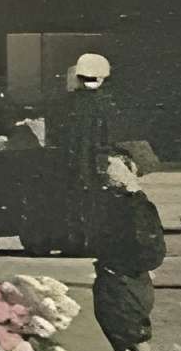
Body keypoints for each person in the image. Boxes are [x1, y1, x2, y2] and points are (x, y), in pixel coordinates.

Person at [87, 153, 168, 351]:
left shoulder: (129, 208)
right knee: (122, 338)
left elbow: (138, 246)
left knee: (134, 338)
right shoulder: (138, 205)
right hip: (125, 278)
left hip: (123, 279)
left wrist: (118, 264)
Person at [39, 53, 122, 256]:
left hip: (69, 160)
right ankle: (94, 241)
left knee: (71, 200)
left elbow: (53, 133)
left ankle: (73, 241)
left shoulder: (65, 103)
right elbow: (112, 137)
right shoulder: (107, 104)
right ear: (103, 77)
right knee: (98, 202)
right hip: (96, 162)